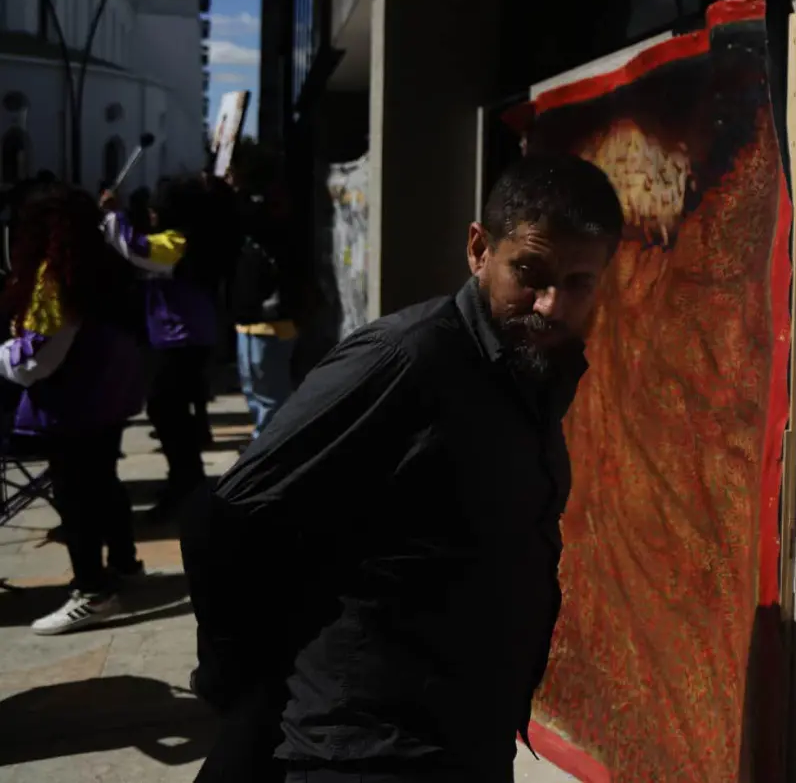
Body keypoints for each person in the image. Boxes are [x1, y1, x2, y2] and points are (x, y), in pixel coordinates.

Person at [181, 154, 624, 783]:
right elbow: (225, 516)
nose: (551, 304)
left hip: (465, 736)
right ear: (479, 249)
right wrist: (236, 680)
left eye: (578, 282)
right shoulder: (404, 361)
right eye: (530, 271)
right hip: (368, 751)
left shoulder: (529, 370)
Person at [0, 184, 145, 635]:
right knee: (103, 483)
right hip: (108, 396)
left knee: (76, 499)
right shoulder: (104, 265)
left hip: (75, 404)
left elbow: (36, 358)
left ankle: (92, 591)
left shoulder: (55, 277)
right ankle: (123, 563)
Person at [102, 175, 221, 520]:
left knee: (168, 413)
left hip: (181, 338)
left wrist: (114, 214)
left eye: (157, 207)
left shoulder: (178, 241)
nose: (152, 213)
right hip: (176, 337)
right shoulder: (180, 240)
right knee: (169, 414)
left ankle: (187, 486)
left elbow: (135, 250)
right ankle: (186, 482)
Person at [228, 170, 297, 440]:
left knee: (270, 397)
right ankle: (265, 446)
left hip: (271, 324)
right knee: (254, 393)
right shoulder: (252, 238)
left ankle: (272, 452)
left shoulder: (278, 233)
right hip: (250, 322)